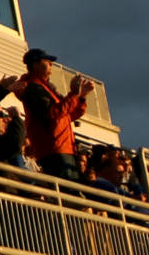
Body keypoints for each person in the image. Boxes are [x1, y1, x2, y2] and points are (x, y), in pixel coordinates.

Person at [16, 49, 93, 179]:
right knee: (67, 190)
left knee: (70, 190)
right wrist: (74, 94)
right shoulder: (33, 88)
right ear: (35, 65)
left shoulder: (44, 88)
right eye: (47, 61)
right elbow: (53, 113)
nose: (51, 65)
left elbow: (68, 115)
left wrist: (81, 97)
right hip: (54, 150)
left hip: (62, 148)